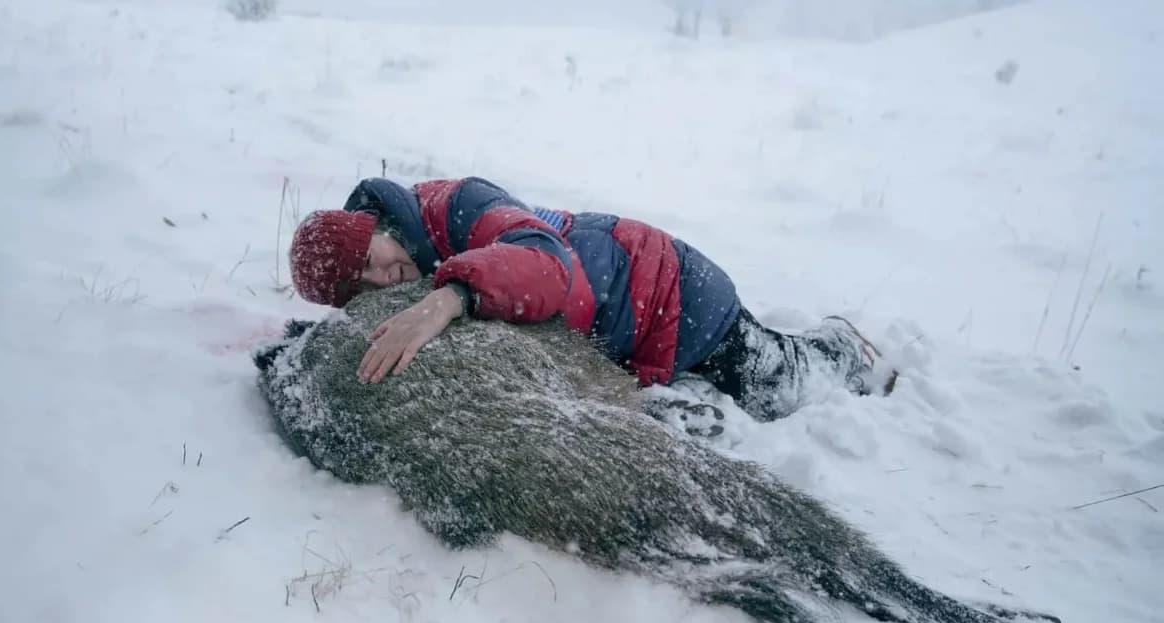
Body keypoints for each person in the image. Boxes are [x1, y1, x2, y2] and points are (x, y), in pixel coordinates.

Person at [287, 176, 896, 423]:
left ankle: (839, 347)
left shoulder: (457, 203)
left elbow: (547, 264)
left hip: (668, 291)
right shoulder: (414, 255)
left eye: (369, 258)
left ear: (373, 225)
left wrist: (449, 298)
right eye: (360, 286)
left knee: (780, 389)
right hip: (624, 332)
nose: (382, 279)